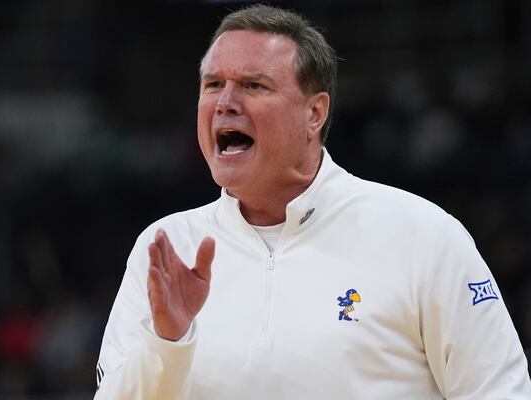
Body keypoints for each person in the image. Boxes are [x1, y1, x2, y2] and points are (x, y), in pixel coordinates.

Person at [94, 5, 531, 399]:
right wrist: (167, 341)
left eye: (253, 85)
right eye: (213, 85)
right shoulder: (166, 246)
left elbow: (499, 390)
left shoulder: (422, 234)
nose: (226, 103)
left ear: (314, 114)